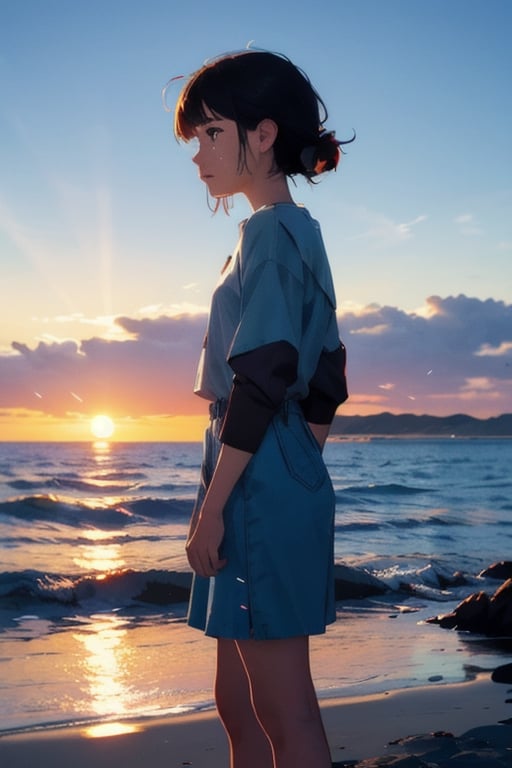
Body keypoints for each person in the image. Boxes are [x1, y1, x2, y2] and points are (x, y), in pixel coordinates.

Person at [171, 49, 351, 768]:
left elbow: (265, 374)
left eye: (213, 133)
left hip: (253, 473)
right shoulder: (293, 231)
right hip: (268, 466)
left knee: (281, 709)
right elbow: (328, 378)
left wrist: (218, 505)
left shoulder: (273, 233)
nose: (200, 155)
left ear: (265, 133)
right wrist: (297, 456)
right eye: (197, 139)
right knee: (239, 703)